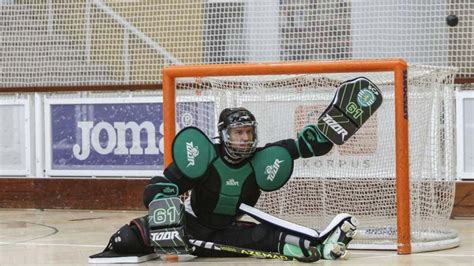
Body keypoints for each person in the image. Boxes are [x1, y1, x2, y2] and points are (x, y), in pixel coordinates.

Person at [89, 77, 382, 263]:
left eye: (248, 132)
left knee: (270, 240)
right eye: (239, 132)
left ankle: (321, 246)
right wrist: (167, 208)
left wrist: (331, 127)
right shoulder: (204, 155)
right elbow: (159, 184)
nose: (245, 138)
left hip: (226, 230)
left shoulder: (264, 157)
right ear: (225, 134)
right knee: (125, 240)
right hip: (191, 225)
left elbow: (309, 146)